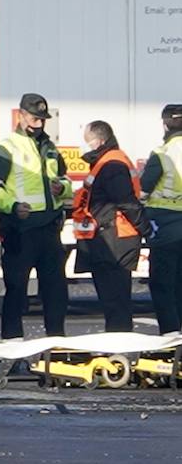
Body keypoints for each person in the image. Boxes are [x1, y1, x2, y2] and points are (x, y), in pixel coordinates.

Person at [0, 93, 73, 339]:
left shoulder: (50, 148)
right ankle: (12, 350)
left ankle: (56, 345)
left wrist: (62, 188)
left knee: (56, 292)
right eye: (34, 118)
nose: (39, 124)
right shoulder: (4, 149)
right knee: (16, 292)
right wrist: (12, 206)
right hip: (19, 229)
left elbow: (65, 179)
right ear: (21, 115)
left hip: (48, 229)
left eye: (42, 119)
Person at [72, 121, 144, 332]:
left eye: (86, 142)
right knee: (113, 300)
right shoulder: (107, 161)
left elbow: (126, 201)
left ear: (99, 141)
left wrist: (145, 227)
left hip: (114, 240)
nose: (83, 147)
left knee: (115, 300)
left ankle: (119, 346)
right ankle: (118, 342)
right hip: (110, 237)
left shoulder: (112, 164)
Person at [141, 104, 182, 333]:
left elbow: (144, 191)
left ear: (165, 124)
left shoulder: (162, 152)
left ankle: (171, 335)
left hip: (166, 226)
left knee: (162, 283)